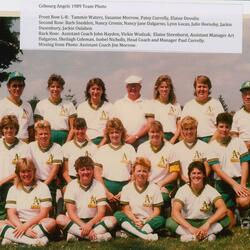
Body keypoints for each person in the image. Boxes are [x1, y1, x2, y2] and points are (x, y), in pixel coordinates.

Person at [166, 161, 229, 242]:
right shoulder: (183, 189)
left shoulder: (209, 189)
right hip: (188, 222)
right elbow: (175, 212)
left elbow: (223, 208)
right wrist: (189, 227)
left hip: (205, 221)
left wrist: (208, 224)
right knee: (169, 222)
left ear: (204, 175)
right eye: (193, 173)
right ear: (189, 175)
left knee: (226, 219)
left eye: (199, 173)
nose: (196, 176)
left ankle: (192, 236)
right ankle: (205, 235)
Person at [56, 156, 116, 242]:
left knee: (112, 220)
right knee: (60, 219)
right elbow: (71, 212)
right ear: (77, 171)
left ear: (92, 170)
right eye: (82, 170)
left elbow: (101, 212)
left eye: (88, 169)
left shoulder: (99, 186)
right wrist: (83, 225)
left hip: (94, 221)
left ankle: (77, 235)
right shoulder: (71, 186)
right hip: (76, 222)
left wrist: (90, 224)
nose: (86, 172)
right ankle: (97, 237)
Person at [0, 158, 56, 246]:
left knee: (51, 222)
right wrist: (22, 227)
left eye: (29, 171)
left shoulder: (43, 187)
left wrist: (26, 226)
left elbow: (43, 213)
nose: (26, 174)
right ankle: (34, 241)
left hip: (36, 224)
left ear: (34, 171)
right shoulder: (13, 189)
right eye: (23, 171)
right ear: (18, 173)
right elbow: (11, 213)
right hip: (18, 223)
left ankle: (13, 238)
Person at [208, 112, 250, 228]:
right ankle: (235, 214)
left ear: (231, 128)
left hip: (238, 179)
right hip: (222, 183)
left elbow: (245, 163)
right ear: (217, 127)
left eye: (227, 127)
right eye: (221, 126)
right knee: (229, 225)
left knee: (244, 200)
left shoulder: (238, 142)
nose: (224, 130)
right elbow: (217, 169)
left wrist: (242, 184)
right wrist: (234, 185)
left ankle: (245, 216)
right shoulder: (212, 146)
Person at [114, 157, 165, 241]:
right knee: (118, 214)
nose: (141, 173)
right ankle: (144, 235)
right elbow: (126, 210)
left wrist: (144, 221)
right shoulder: (126, 188)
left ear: (149, 173)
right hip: (132, 220)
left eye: (144, 171)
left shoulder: (155, 188)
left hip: (148, 221)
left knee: (160, 219)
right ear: (133, 172)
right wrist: (135, 220)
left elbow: (157, 211)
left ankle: (130, 233)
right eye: (138, 171)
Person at [94, 118, 136, 210]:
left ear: (122, 133)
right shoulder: (102, 150)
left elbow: (134, 172)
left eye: (117, 132)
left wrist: (125, 191)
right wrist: (106, 192)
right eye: (111, 133)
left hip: (126, 188)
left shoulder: (130, 149)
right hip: (107, 188)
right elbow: (97, 173)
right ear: (108, 135)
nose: (114, 135)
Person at [137, 120, 180, 208]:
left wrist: (161, 184)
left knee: (160, 198)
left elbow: (175, 173)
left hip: (164, 184)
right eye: (152, 132)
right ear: (148, 133)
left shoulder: (171, 148)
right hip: (146, 184)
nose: (155, 134)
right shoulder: (142, 148)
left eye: (157, 132)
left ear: (162, 133)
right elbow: (137, 171)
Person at [28, 120, 63, 214]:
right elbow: (28, 166)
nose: (43, 136)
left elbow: (55, 169)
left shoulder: (57, 147)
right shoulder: (30, 146)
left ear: (50, 134)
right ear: (36, 135)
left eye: (46, 133)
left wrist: (43, 185)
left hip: (50, 183)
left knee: (49, 209)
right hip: (33, 181)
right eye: (41, 134)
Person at [111, 75, 154, 150]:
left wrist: (136, 136)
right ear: (126, 87)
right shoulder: (118, 103)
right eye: (130, 86)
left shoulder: (148, 103)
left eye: (135, 86)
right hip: (123, 139)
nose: (133, 88)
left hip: (142, 141)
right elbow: (114, 123)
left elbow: (150, 123)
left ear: (140, 87)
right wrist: (125, 135)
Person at [34, 73, 76, 145]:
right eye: (52, 86)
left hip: (64, 138)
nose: (55, 89)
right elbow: (38, 128)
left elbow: (73, 128)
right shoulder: (41, 105)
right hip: (47, 138)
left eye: (58, 87)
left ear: (62, 88)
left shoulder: (69, 105)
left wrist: (67, 144)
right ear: (48, 88)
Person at [0, 115, 29, 219]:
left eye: (12, 127)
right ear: (2, 130)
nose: (9, 130)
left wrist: (2, 181)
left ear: (16, 129)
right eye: (6, 128)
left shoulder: (24, 147)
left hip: (14, 184)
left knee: (12, 214)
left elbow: (21, 170)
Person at [181, 75, 224, 143]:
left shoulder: (216, 104)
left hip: (213, 141)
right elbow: (182, 128)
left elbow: (222, 127)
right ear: (195, 88)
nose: (202, 89)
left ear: (208, 88)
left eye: (204, 87)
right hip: (194, 141)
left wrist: (210, 144)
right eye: (199, 86)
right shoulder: (188, 106)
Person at [173, 116, 211, 184]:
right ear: (182, 130)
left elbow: (207, 168)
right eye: (186, 129)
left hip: (201, 183)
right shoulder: (175, 148)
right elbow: (177, 171)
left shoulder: (205, 146)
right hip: (184, 184)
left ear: (196, 129)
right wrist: (186, 180)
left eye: (191, 128)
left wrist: (198, 181)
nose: (189, 131)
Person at [77, 77, 112, 146]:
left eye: (98, 89)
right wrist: (91, 145)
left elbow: (111, 129)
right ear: (88, 91)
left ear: (102, 91)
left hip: (105, 142)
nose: (95, 92)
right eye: (93, 89)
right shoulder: (81, 107)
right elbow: (80, 129)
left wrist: (100, 145)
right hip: (87, 142)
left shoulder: (109, 106)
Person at [0, 71, 34, 142]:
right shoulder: (2, 104)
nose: (17, 88)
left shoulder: (27, 105)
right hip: (6, 145)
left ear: (23, 87)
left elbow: (30, 129)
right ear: (8, 87)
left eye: (20, 85)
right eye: (14, 86)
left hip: (24, 144)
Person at [62, 117, 97, 185]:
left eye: (82, 129)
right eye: (77, 129)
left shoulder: (93, 148)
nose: (80, 131)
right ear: (74, 129)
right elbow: (65, 171)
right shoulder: (66, 147)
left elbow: (95, 170)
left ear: (86, 129)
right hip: (71, 179)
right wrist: (71, 183)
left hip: (88, 179)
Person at [148, 75, 181, 144]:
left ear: (170, 88)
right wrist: (161, 139)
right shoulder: (151, 104)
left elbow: (179, 126)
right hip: (158, 138)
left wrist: (173, 139)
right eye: (162, 87)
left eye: (166, 87)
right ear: (157, 88)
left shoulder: (176, 105)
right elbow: (150, 124)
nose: (164, 89)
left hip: (174, 139)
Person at [231, 81, 250, 151]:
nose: (248, 97)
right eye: (245, 94)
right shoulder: (237, 115)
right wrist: (242, 145)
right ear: (242, 96)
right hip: (242, 150)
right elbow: (234, 134)